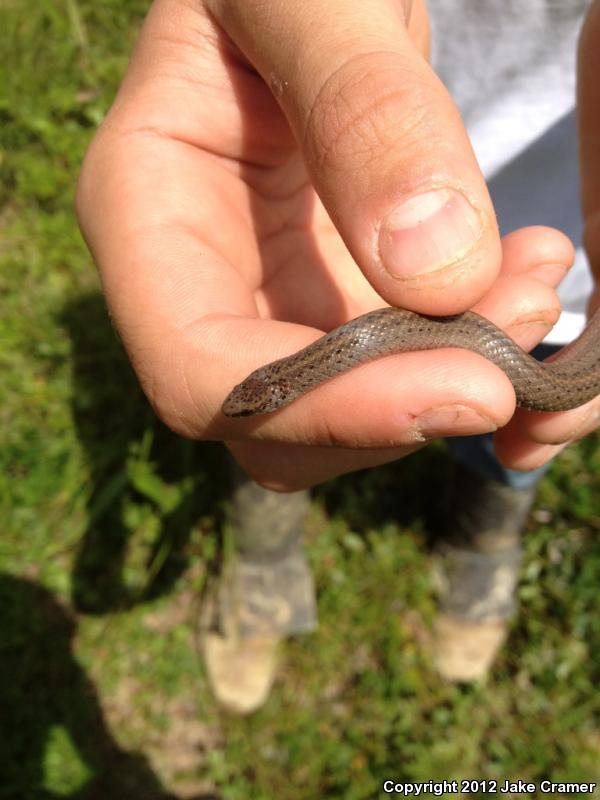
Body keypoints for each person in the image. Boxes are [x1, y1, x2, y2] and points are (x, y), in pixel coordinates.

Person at [76, 0, 600, 714]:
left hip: (564, 239)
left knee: (512, 422)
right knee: (328, 397)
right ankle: (267, 545)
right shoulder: (303, 355)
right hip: (329, 207)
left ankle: (486, 534)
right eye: (258, 389)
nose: (256, 389)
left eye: (259, 390)